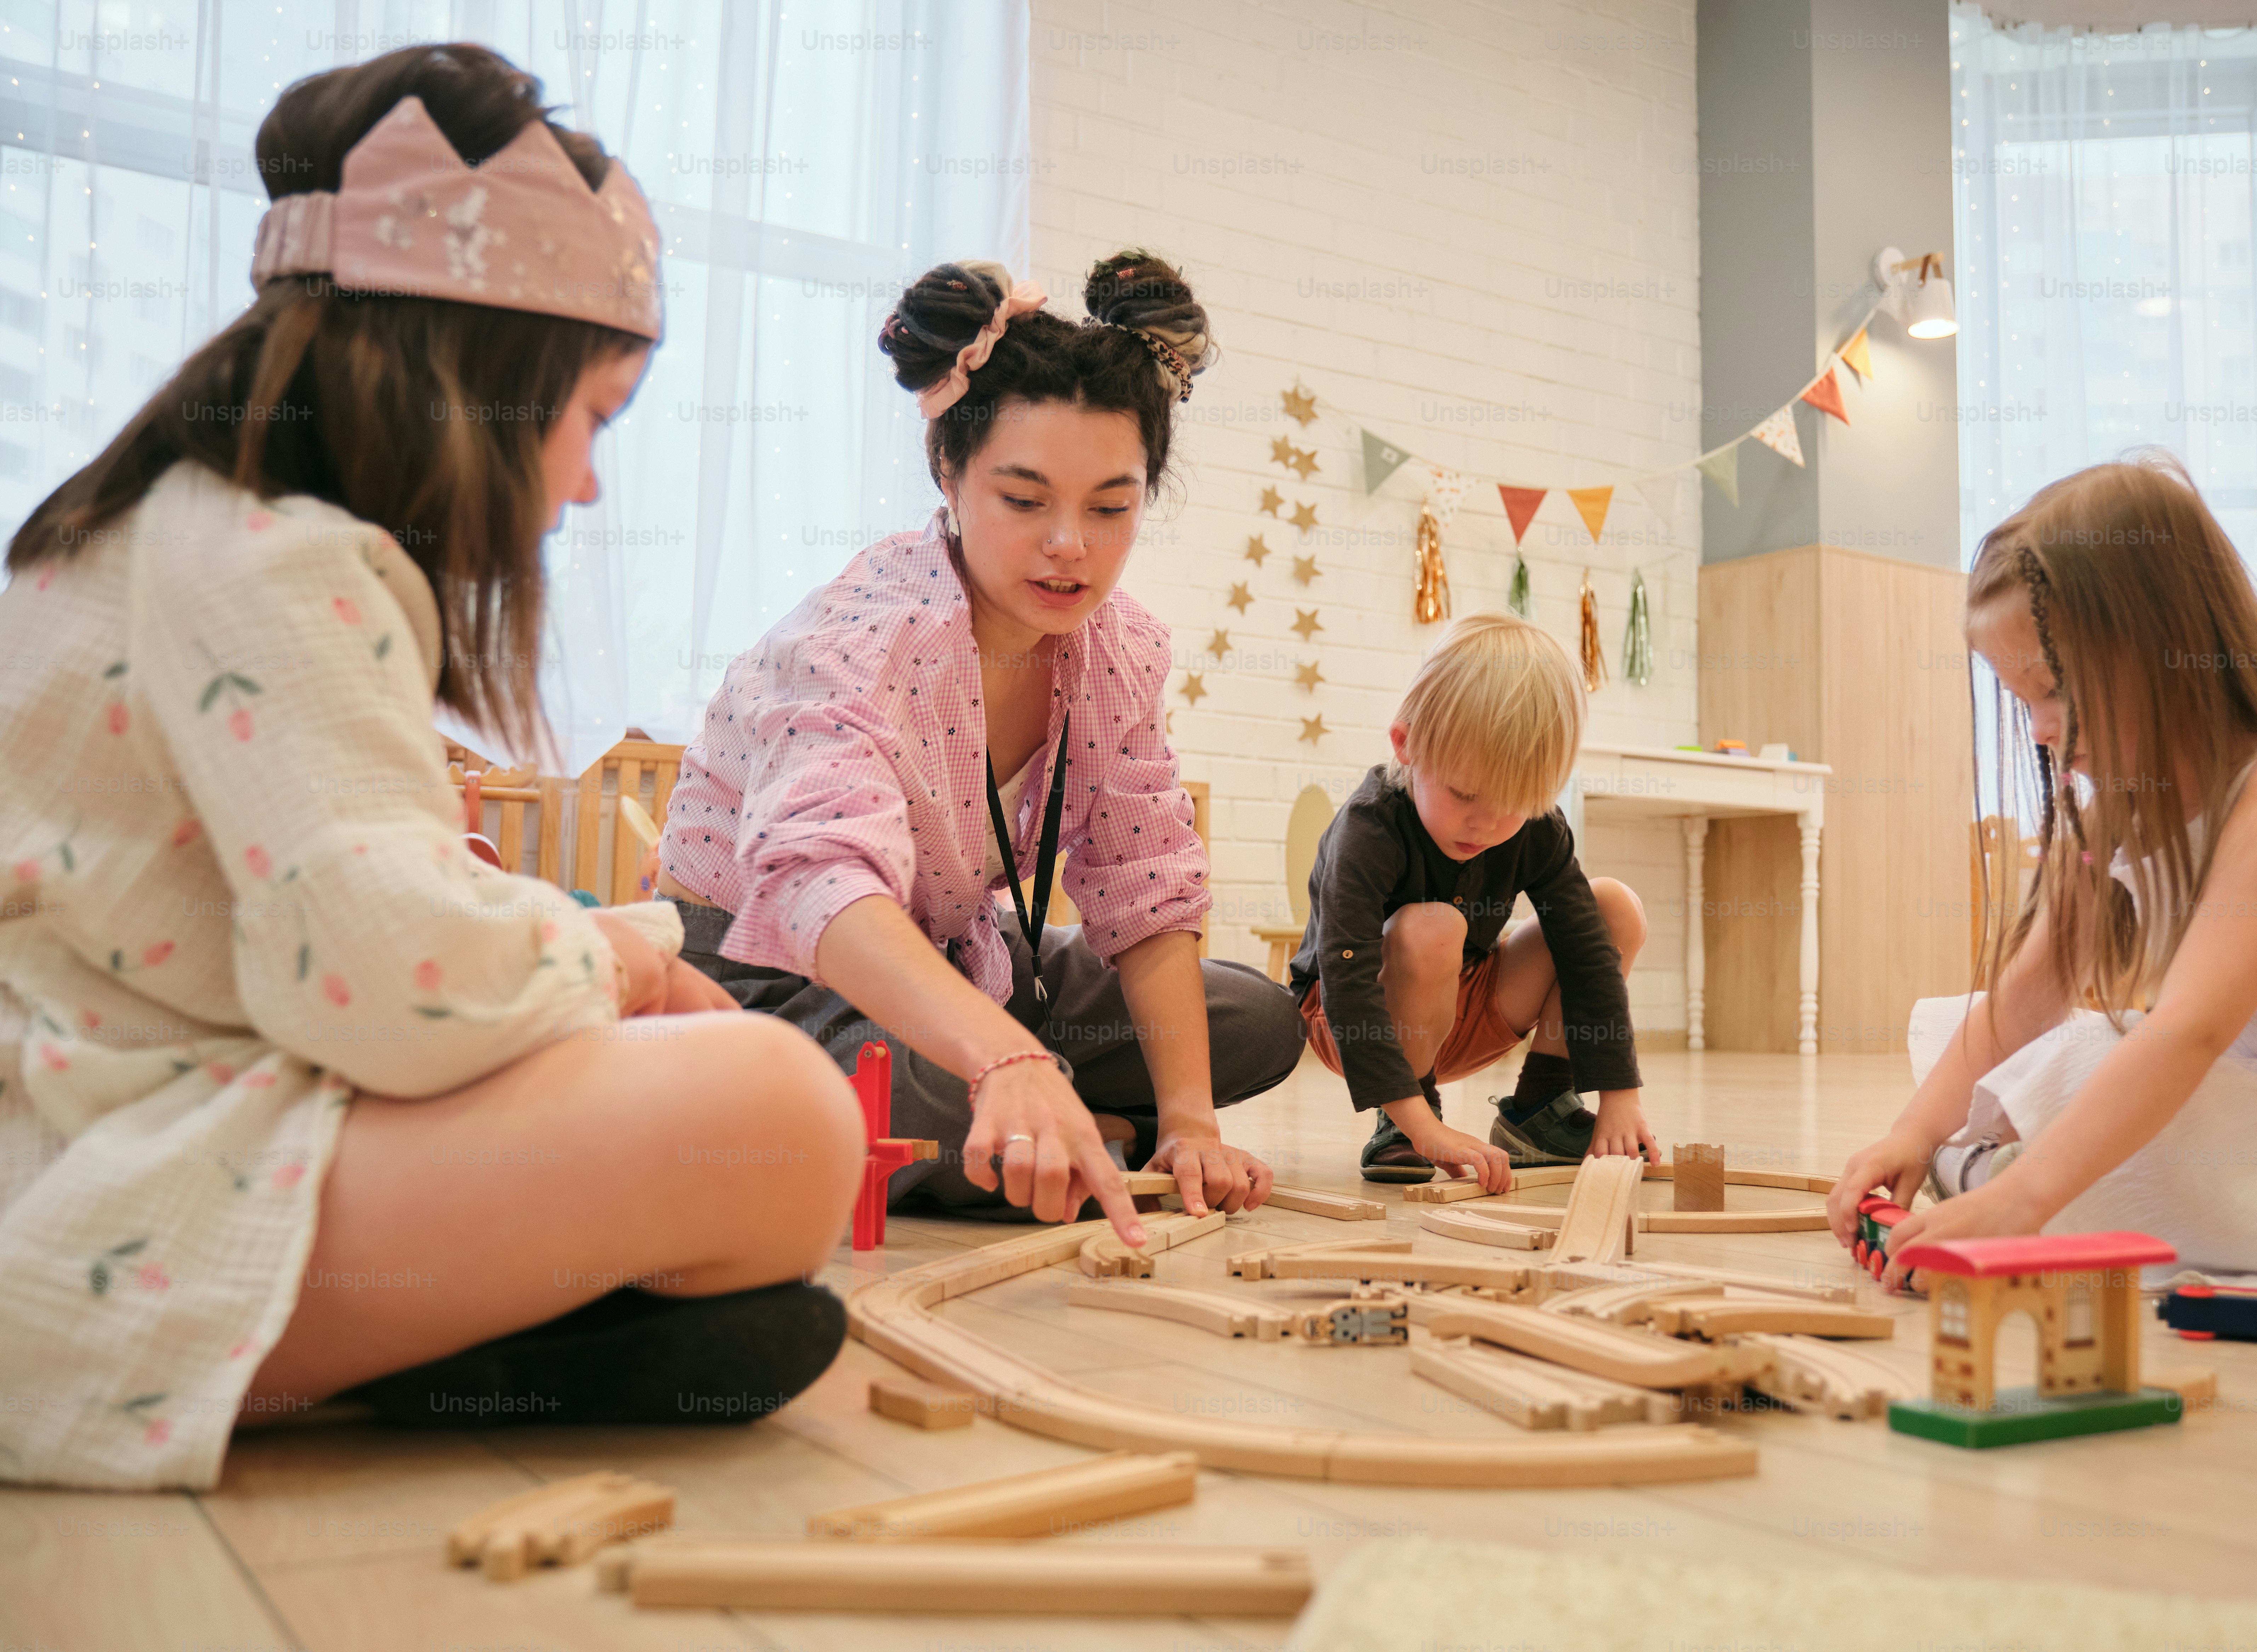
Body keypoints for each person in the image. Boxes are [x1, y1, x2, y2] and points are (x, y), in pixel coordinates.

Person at [0, 46, 865, 1490]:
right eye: (593, 419)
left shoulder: (187, 524)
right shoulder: (270, 562)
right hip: (86, 1197)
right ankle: (421, 1346)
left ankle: (449, 1347)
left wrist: (571, 961)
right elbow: (397, 983)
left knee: (737, 1122)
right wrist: (628, 958)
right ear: (479, 382)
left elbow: (352, 926)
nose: (587, 483)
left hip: (126, 1127)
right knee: (779, 1120)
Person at [658, 253, 1303, 1240]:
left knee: (1252, 1021)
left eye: (1110, 506)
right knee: (912, 1098)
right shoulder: (862, 638)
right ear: (948, 473)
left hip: (958, 957)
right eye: (1024, 498)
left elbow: (1145, 876)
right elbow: (819, 883)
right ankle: (1046, 1117)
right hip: (766, 968)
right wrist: (1010, 1058)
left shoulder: (1121, 648)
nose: (1069, 546)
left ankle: (1084, 1130)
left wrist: (1189, 1123)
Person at [1828, 456, 2257, 1299]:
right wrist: (1910, 1134)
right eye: (2020, 702)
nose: (2041, 731)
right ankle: (1979, 1171)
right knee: (2074, 1051)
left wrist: (2027, 1196)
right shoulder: (2121, 805)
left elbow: (2189, 1034)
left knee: (2131, 1088)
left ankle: (1997, 1180)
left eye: (2052, 690)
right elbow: (2031, 994)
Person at [1289, 613, 1652, 1189]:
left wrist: (1620, 1094)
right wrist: (1416, 1120)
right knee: (1431, 927)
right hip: (1351, 1016)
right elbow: (1345, 975)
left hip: (1469, 1002)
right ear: (1406, 745)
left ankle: (1541, 1108)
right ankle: (1403, 1122)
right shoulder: (1370, 826)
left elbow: (1587, 955)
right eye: (1465, 794)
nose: (1486, 823)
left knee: (1614, 908)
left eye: (1516, 803)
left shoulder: (1538, 828)